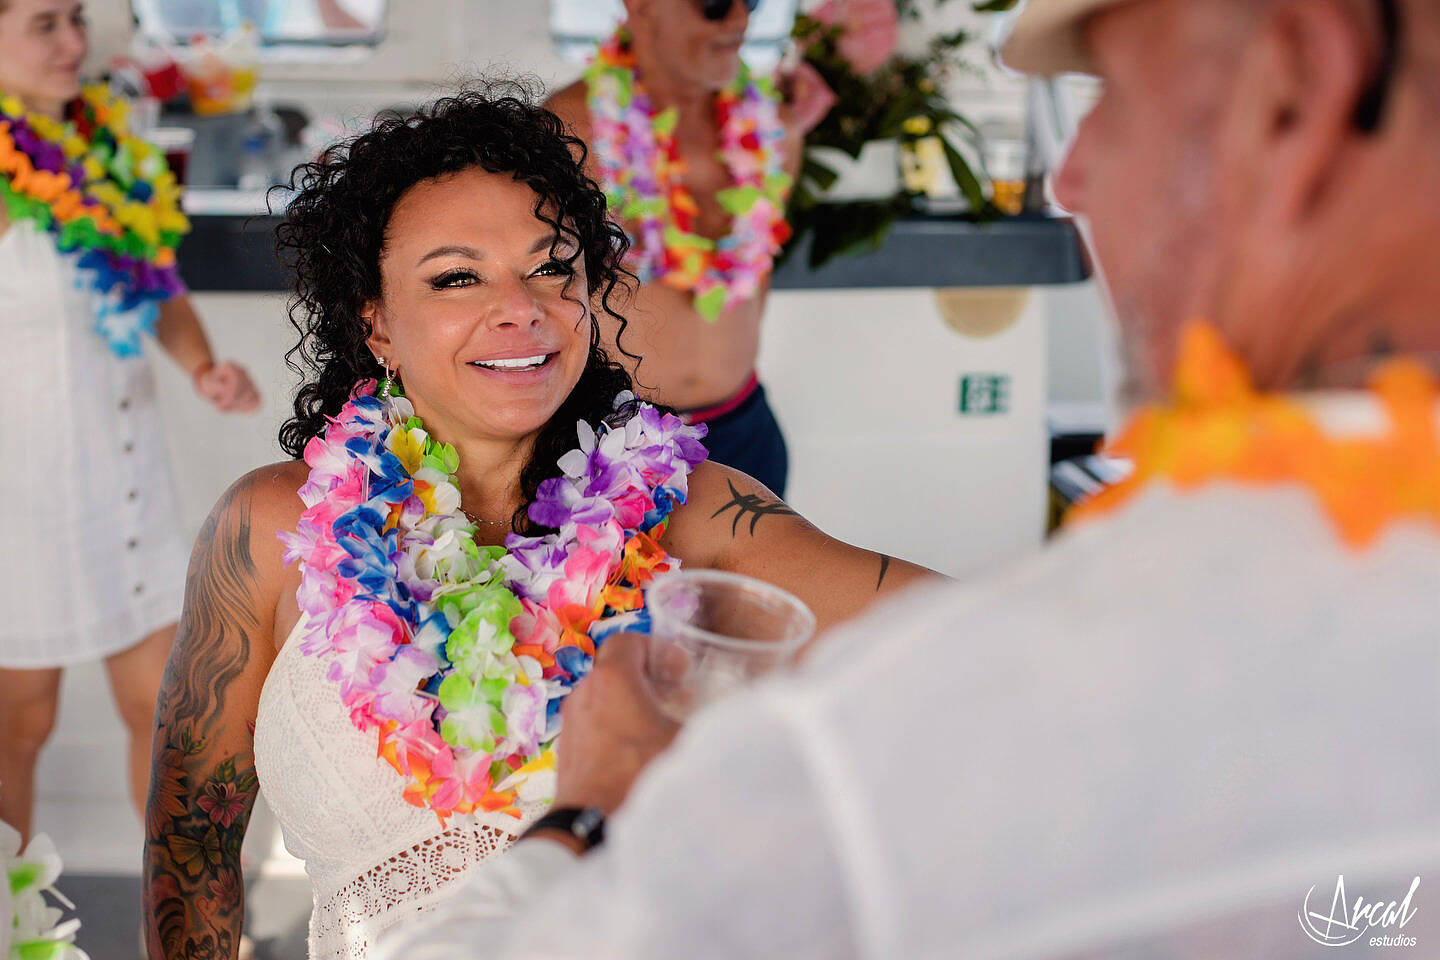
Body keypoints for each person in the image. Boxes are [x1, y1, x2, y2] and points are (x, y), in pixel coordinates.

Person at [372, 0, 1440, 957]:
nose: (1071, 178)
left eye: (1111, 94)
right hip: (624, 439)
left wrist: (592, 804)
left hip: (731, 433)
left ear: (1300, 89)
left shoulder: (868, 753)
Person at [140, 86, 930, 960]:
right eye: (455, 277)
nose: (521, 306)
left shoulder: (695, 515)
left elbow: (960, 635)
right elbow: (193, 840)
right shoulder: (264, 528)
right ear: (377, 324)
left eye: (553, 266)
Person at [0, 0, 259, 842]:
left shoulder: (101, 139)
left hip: (125, 480)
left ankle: (180, 925)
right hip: (21, 500)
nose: (76, 41)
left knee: (167, 718)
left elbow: (152, 279)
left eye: (75, 17)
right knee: (18, 727)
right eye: (45, 24)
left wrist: (202, 366)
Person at [545, 0, 835, 497]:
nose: (740, 19)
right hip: (614, 437)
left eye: (752, 2)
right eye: (717, 3)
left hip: (745, 427)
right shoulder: (563, 134)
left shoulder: (772, 128)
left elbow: (755, 278)